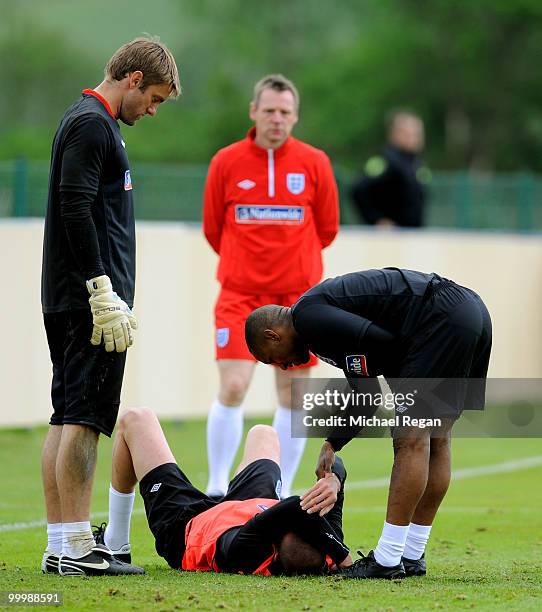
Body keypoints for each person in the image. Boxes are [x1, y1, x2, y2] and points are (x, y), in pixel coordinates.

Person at [245, 267, 492, 579]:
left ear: (272, 335)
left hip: (440, 317)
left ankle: (388, 559)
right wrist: (333, 442)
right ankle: (412, 554)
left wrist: (403, 393)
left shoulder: (307, 318)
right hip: (467, 311)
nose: (282, 366)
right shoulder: (317, 325)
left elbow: (384, 345)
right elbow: (369, 393)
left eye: (272, 358)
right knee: (436, 438)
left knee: (410, 439)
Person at [40, 37, 180, 576]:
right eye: (155, 99)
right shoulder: (92, 124)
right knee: (85, 419)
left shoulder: (93, 123)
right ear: (134, 79)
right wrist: (101, 288)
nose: (152, 110)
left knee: (67, 416)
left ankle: (61, 543)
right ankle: (76, 546)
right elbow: (74, 207)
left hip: (76, 298)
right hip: (89, 302)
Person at [202, 74, 339, 499]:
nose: (276, 119)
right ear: (253, 112)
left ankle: (278, 489)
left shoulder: (315, 162)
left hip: (298, 300)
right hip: (240, 294)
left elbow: (328, 229)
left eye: (284, 112)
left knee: (293, 396)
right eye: (269, 111)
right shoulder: (225, 161)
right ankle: (218, 487)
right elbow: (213, 229)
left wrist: (291, 266)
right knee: (234, 386)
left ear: (294, 116)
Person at [94, 407, 352, 576]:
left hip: (189, 528)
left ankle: (116, 544)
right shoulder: (325, 547)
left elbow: (294, 507)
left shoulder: (248, 553)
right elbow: (336, 471)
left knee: (135, 420)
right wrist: (333, 480)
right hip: (250, 505)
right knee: (263, 433)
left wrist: (345, 557)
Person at [350, 111, 428, 228]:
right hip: (390, 239)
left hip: (412, 235)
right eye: (409, 133)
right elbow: (358, 189)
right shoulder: (385, 161)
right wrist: (376, 219)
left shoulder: (416, 163)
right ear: (395, 134)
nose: (414, 138)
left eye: (417, 134)